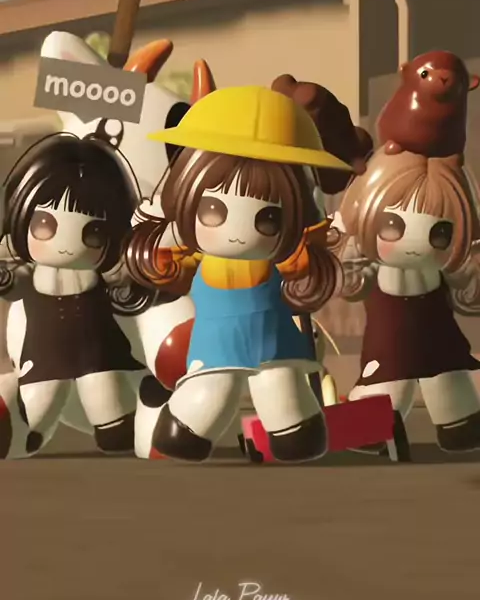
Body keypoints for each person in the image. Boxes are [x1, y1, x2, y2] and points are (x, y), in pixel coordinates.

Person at [125, 67, 350, 463]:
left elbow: (302, 269)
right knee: (211, 391)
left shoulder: (287, 255)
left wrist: (311, 253)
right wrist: (157, 248)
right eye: (212, 210)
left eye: (268, 219)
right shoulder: (194, 254)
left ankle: (295, 432)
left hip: (272, 338)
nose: (237, 233)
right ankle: (185, 428)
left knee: (280, 387)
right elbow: (171, 269)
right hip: (215, 342)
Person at [0, 132, 146, 457]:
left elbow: (126, 285)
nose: (67, 244)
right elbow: (13, 283)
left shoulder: (105, 272)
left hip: (98, 353)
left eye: (93, 233)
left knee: (108, 411)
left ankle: (128, 423)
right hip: (44, 354)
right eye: (45, 224)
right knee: (38, 408)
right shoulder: (28, 271)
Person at [338, 147, 480, 452]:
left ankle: (458, 424)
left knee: (452, 391)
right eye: (392, 226)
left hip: (439, 337)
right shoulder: (372, 264)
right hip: (390, 341)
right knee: (388, 387)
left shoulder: (445, 267)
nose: (416, 245)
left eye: (439, 233)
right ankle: (351, 428)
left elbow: (463, 280)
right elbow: (351, 277)